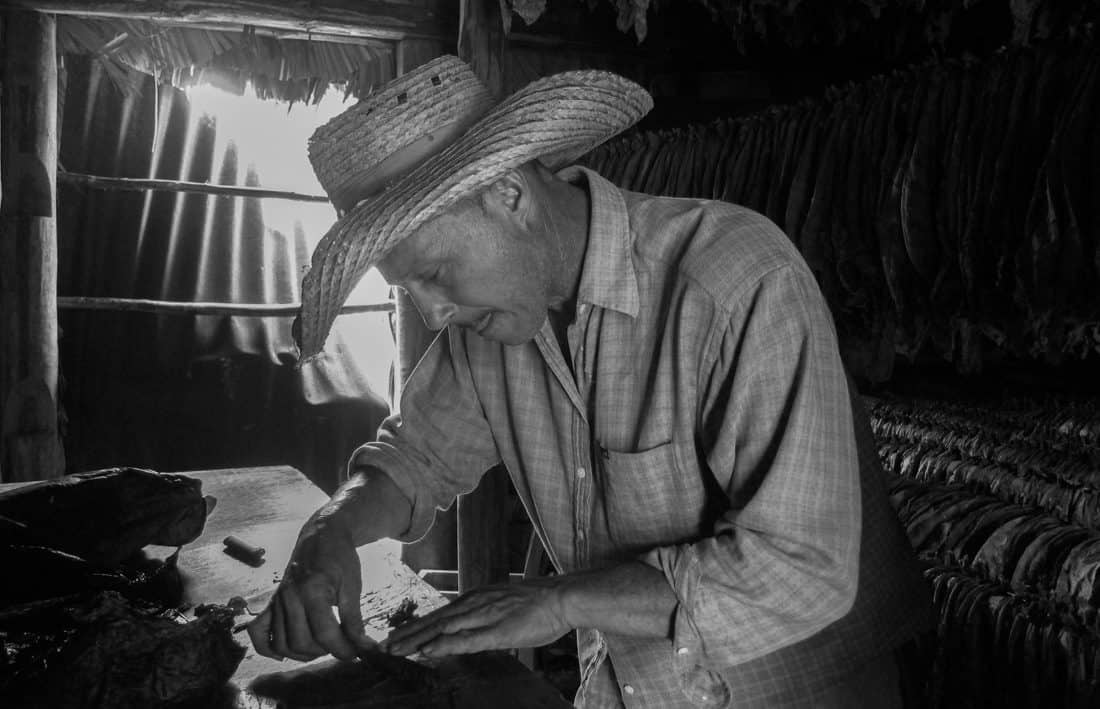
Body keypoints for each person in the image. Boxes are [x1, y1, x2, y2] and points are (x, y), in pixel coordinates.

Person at [248, 55, 932, 707]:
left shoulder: (735, 284)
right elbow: (414, 459)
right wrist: (329, 531)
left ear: (508, 195)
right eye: (410, 289)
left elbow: (805, 567)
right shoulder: (489, 324)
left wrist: (558, 600)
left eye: (433, 273)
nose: (432, 311)